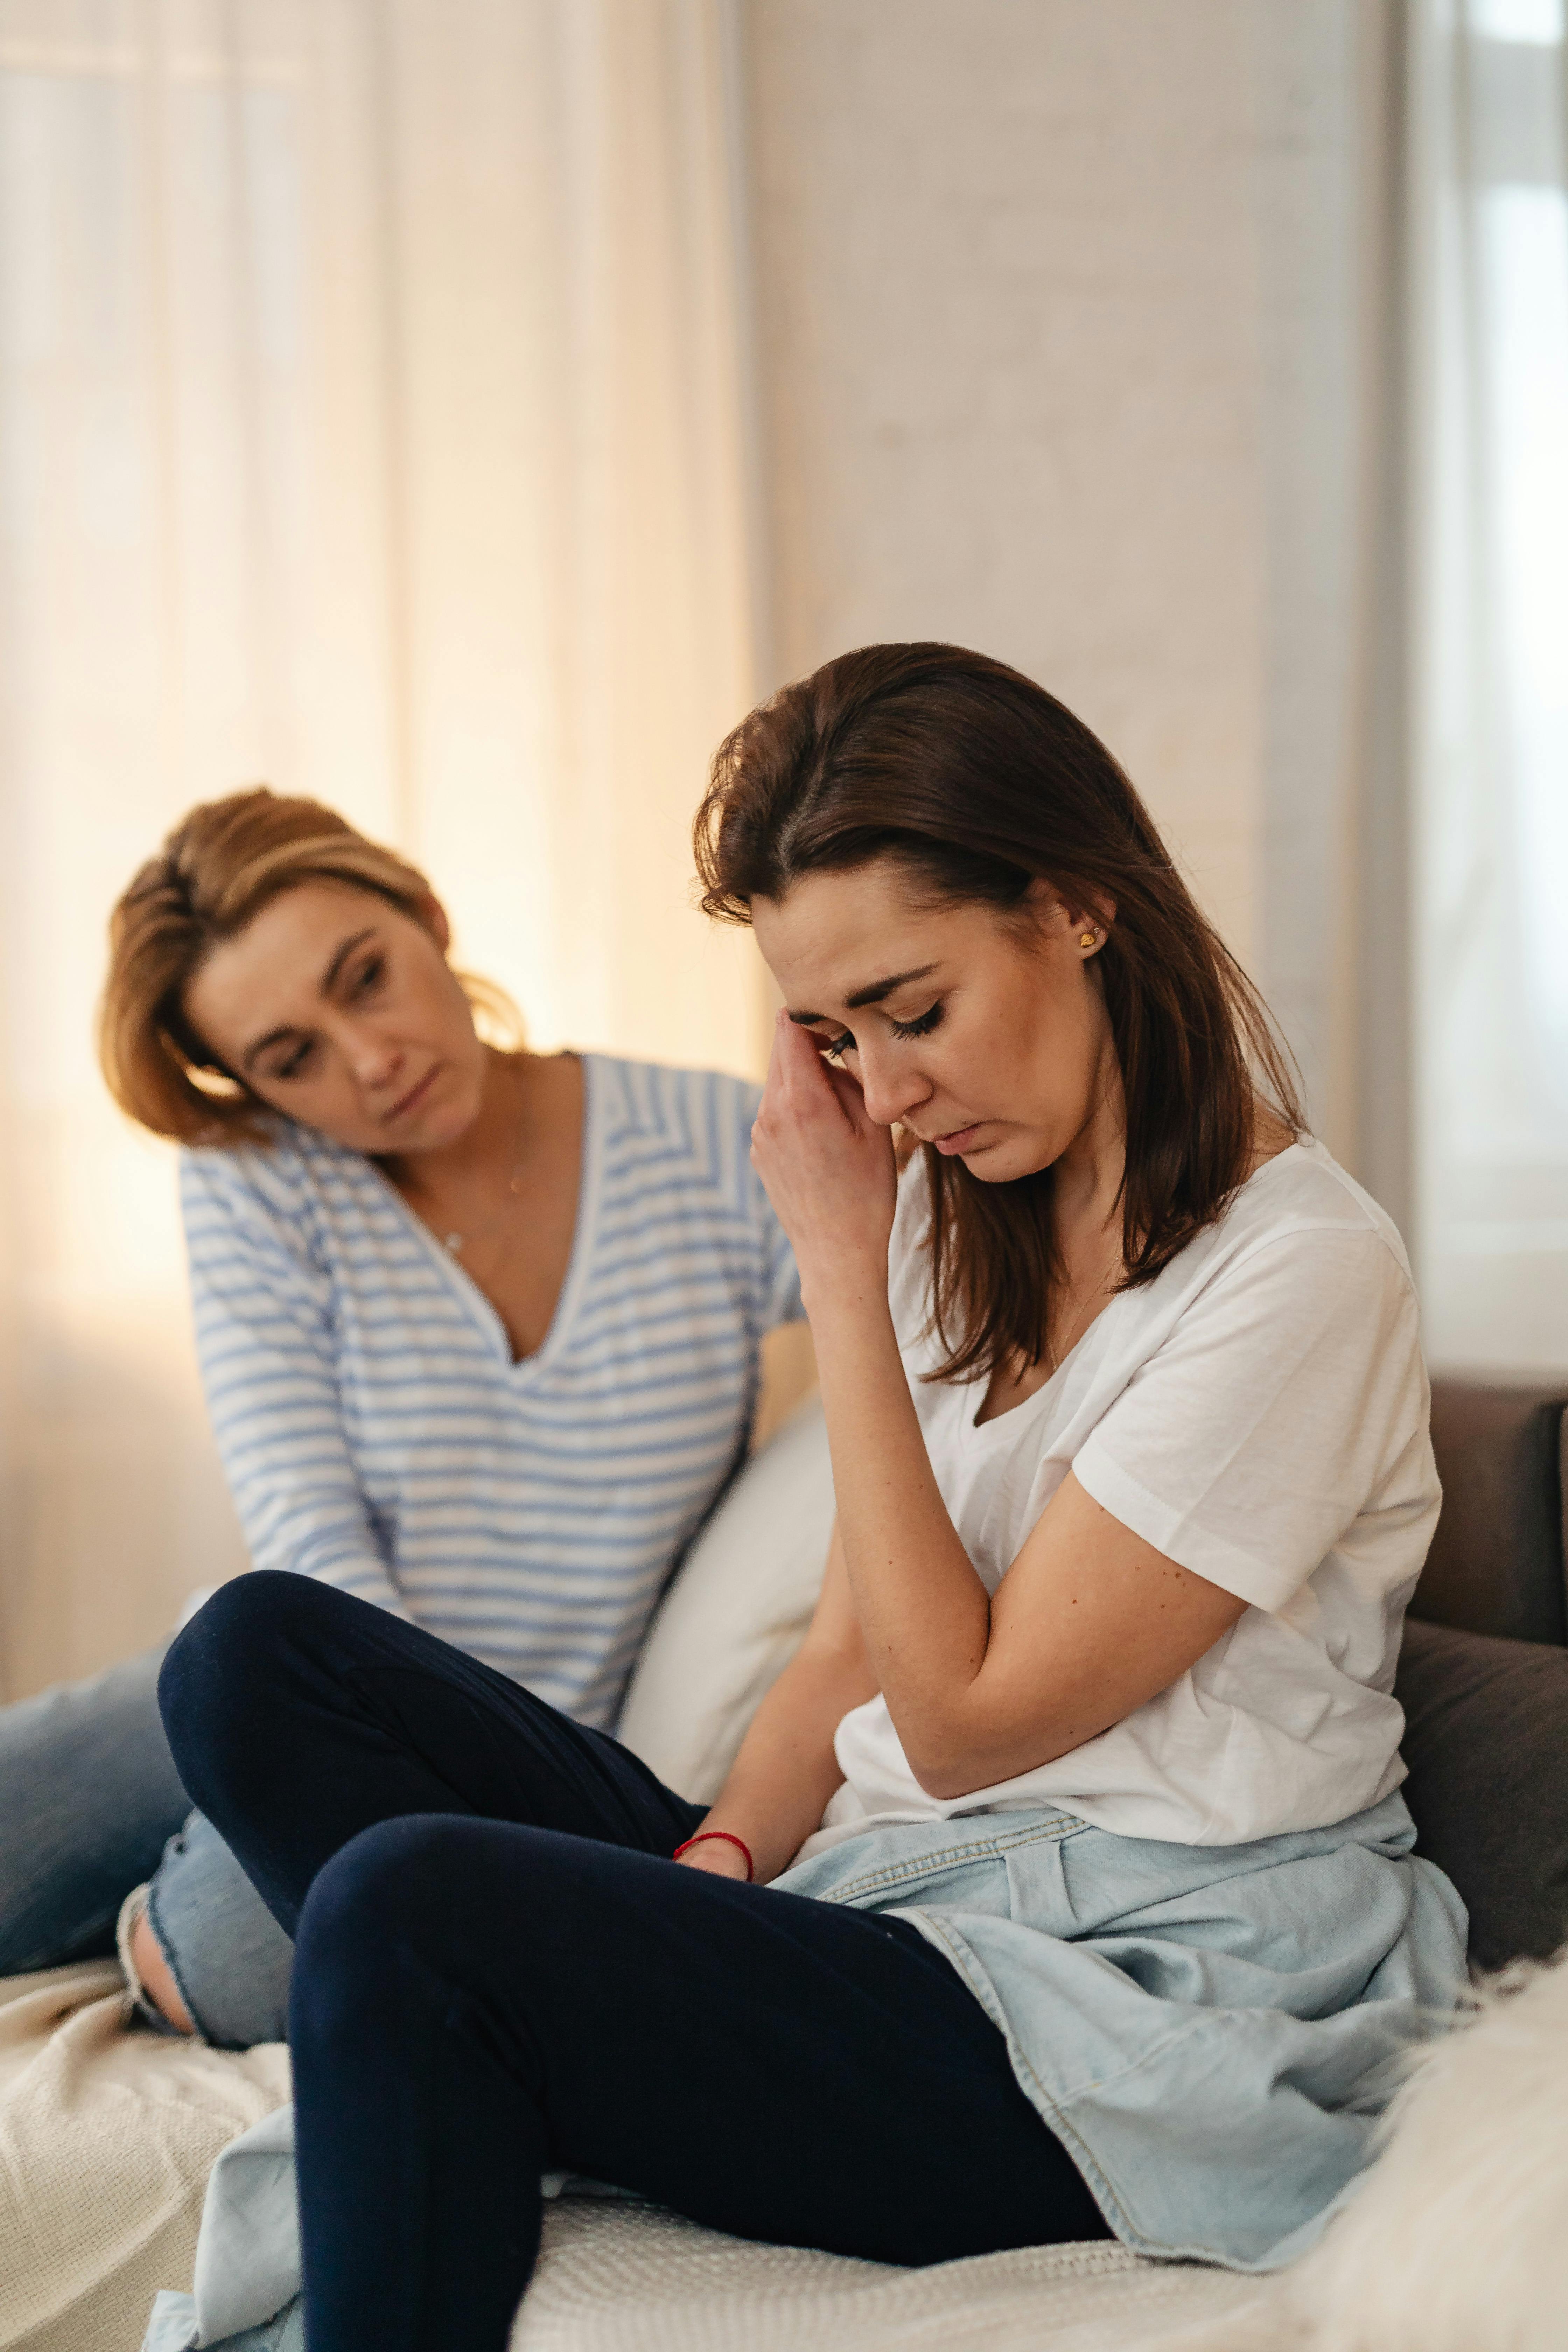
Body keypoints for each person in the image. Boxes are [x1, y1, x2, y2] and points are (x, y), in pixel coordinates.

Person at [159, 645, 1467, 2352]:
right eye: (836, 1037)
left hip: (1123, 2004)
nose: (887, 1090)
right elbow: (847, 1653)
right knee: (251, 1656)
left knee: (412, 1901)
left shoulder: (1295, 1273)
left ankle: (479, 2041)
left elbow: (963, 1721)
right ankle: (511, 2051)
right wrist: (715, 1863)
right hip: (893, 1908)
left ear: (1076, 906)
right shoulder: (959, 1205)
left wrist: (836, 1272)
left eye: (914, 1012)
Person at [0, 790, 799, 2046]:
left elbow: (943, 1298)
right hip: (282, 1694)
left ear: (426, 917)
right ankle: (172, 1874)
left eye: (365, 979)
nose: (368, 1061)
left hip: (519, 1775)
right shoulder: (256, 1182)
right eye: (290, 1057)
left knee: (220, 1964)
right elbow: (304, 1526)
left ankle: (164, 1919)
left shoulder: (717, 1143)